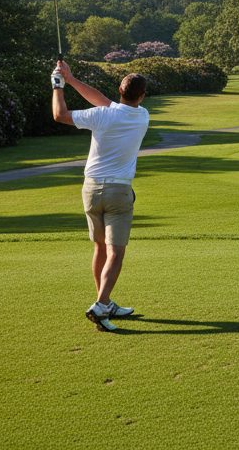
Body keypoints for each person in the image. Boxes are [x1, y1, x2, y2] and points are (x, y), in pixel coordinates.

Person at [52, 60, 149, 332]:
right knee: (116, 252)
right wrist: (70, 80)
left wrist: (60, 84)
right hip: (118, 191)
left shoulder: (100, 115)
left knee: (100, 248)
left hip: (90, 189)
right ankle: (101, 304)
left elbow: (59, 115)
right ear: (141, 96)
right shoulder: (142, 116)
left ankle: (103, 304)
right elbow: (106, 101)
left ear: (120, 88)